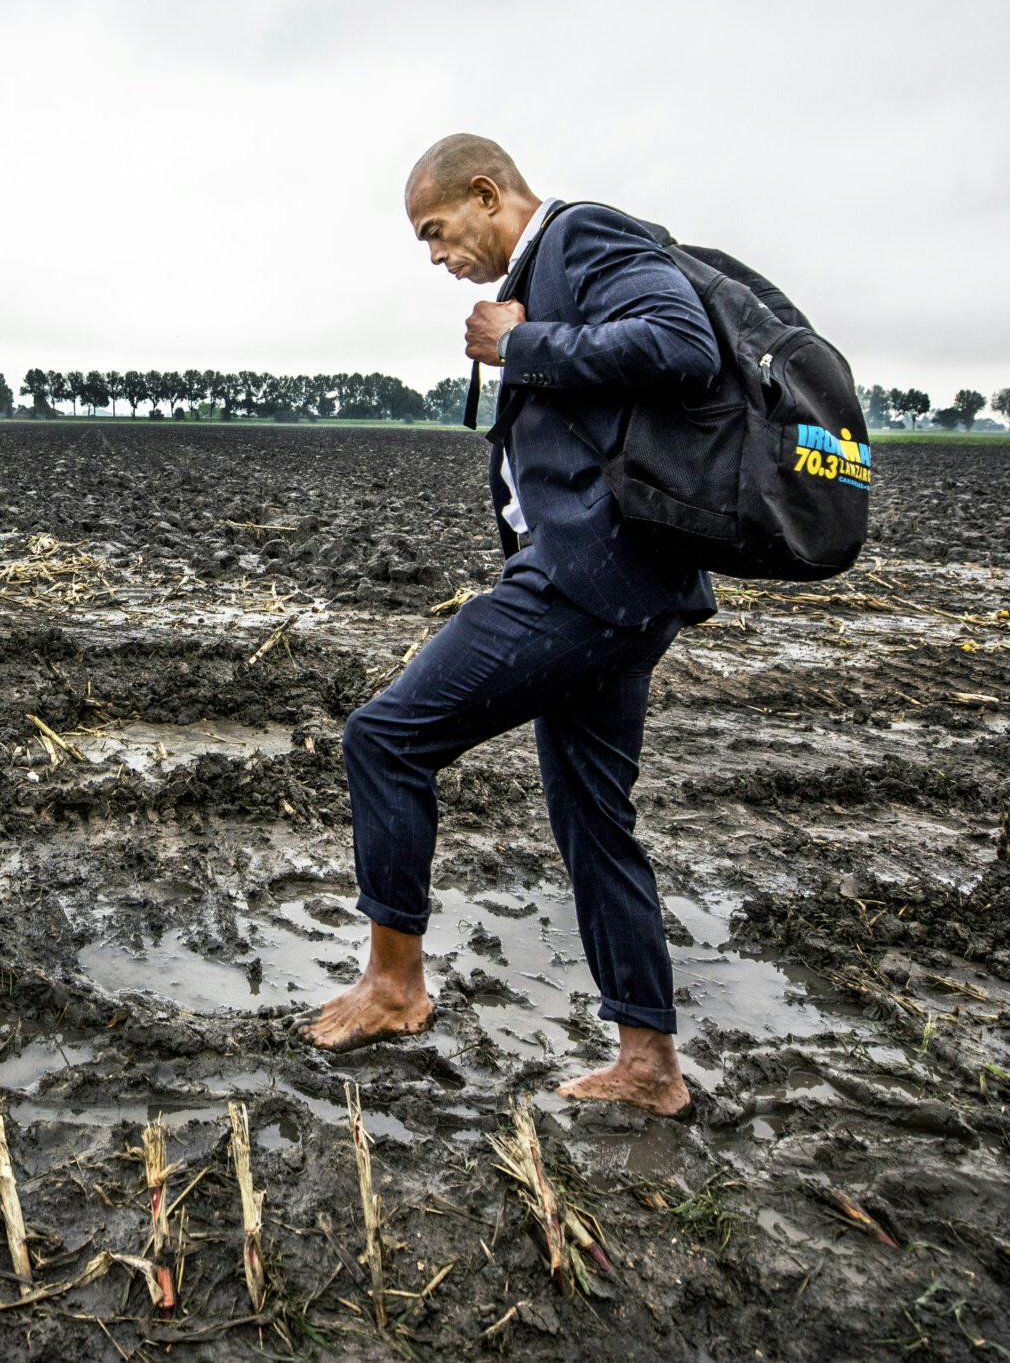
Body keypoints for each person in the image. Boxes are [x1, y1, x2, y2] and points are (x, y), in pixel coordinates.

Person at [300, 133, 717, 1117]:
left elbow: (683, 344)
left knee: (387, 738)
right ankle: (649, 1066)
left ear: (488, 195)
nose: (437, 258)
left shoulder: (586, 237)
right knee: (594, 825)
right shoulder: (555, 271)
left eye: (437, 232)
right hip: (616, 590)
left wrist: (517, 345)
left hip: (584, 585)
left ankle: (395, 986)